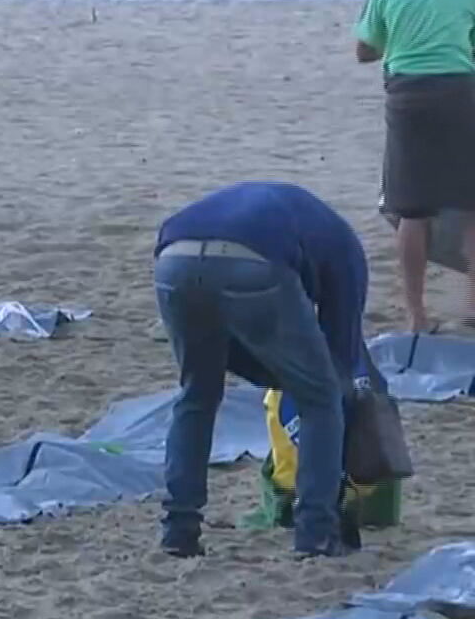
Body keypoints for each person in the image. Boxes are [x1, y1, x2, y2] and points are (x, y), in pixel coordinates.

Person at [152, 181, 367, 559]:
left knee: (197, 394)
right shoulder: (349, 254)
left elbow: (242, 354)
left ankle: (178, 531)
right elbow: (341, 360)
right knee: (321, 399)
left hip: (173, 258)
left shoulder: (308, 222)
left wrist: (278, 372)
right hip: (253, 262)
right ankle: (316, 531)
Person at [355, 0, 475, 332]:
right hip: (462, 93)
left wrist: (401, 39)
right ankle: (473, 305)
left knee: (412, 208)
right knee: (471, 203)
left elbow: (364, 51)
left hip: (409, 97)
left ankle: (417, 315)